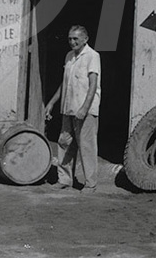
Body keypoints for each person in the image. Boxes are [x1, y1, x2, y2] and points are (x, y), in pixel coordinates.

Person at [44, 25, 101, 192]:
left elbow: (93, 84)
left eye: (76, 38)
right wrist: (52, 103)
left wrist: (84, 108)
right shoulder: (69, 56)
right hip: (68, 108)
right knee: (64, 143)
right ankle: (64, 179)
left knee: (87, 146)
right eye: (70, 38)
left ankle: (90, 184)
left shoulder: (92, 56)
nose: (72, 42)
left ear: (85, 39)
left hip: (85, 110)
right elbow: (65, 83)